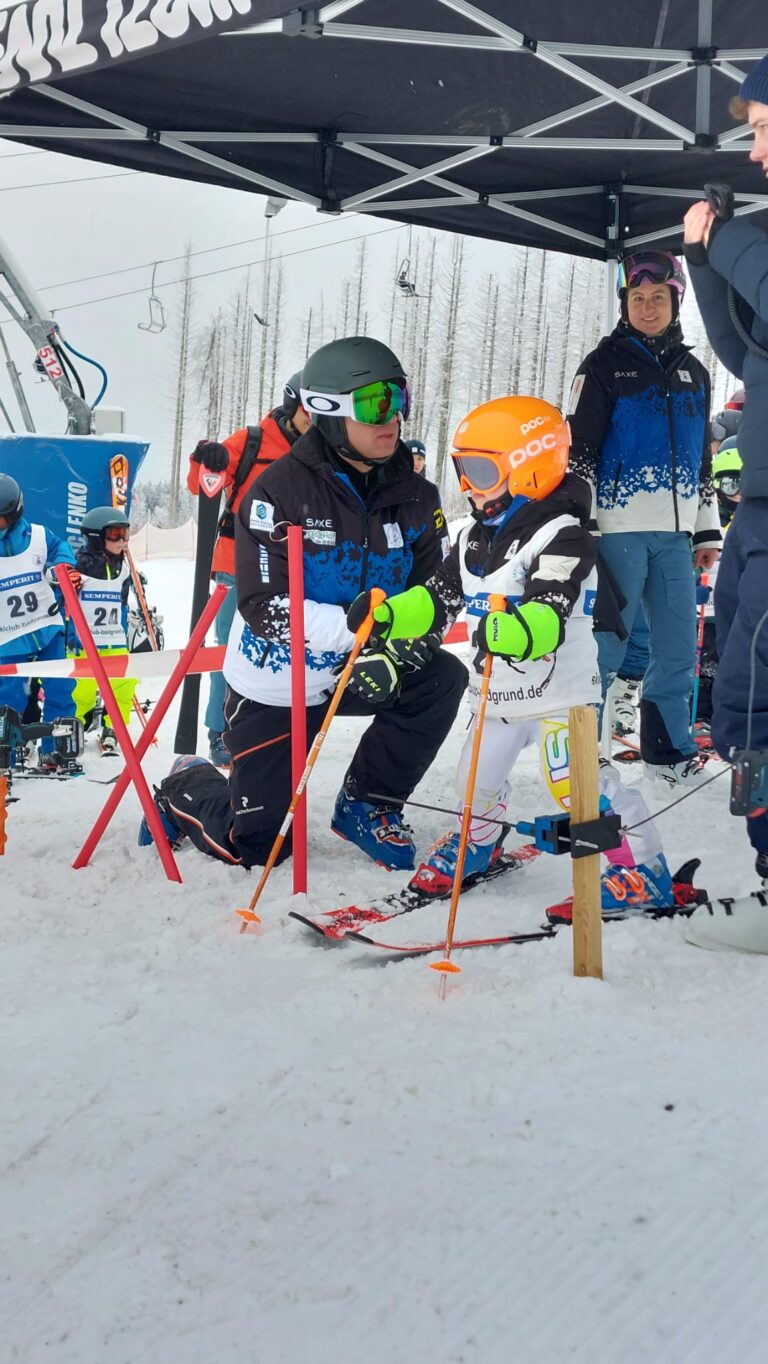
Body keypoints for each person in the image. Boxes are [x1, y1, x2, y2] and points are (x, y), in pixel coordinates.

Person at [141, 336, 467, 869]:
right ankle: (186, 783)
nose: (395, 417)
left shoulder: (416, 495)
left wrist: (392, 652)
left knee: (441, 677)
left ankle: (369, 802)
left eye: (399, 397)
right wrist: (361, 633)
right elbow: (265, 607)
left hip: (364, 666)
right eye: (376, 403)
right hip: (279, 680)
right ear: (330, 412)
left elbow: (439, 596)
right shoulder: (278, 492)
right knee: (259, 847)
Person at [345, 395, 671, 919]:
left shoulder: (563, 536)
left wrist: (518, 630)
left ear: (528, 469)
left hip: (560, 698)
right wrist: (387, 616)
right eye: (462, 471)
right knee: (474, 782)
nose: (469, 486)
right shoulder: (471, 537)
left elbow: (549, 612)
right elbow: (437, 598)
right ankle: (477, 843)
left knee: (579, 785)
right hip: (495, 694)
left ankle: (639, 868)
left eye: (481, 470)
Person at [567, 249, 721, 788]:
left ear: (676, 301)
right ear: (624, 303)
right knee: (609, 644)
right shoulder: (603, 365)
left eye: (659, 297)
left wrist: (705, 529)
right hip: (616, 530)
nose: (649, 307)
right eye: (638, 298)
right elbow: (579, 450)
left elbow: (702, 459)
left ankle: (669, 748)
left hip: (675, 537)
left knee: (678, 644)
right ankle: (588, 754)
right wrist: (578, 521)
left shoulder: (694, 371)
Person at [683, 55, 768, 885]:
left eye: (765, 130)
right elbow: (748, 349)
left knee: (765, 684)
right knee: (739, 689)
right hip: (760, 509)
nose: (754, 153)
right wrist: (704, 266)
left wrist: (729, 239)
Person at [186, 372, 311, 766]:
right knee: (230, 653)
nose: (315, 418)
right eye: (309, 408)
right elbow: (202, 483)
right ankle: (220, 732)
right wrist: (207, 457)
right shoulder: (253, 440)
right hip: (237, 567)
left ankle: (265, 729)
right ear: (292, 406)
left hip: (291, 571)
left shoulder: (321, 451)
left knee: (282, 655)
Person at [0, 472, 82, 771]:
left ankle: (57, 750)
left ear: (14, 513)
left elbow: (62, 552)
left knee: (60, 689)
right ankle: (4, 755)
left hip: (47, 629)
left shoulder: (38, 535)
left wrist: (61, 568)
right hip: (8, 638)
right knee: (8, 699)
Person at [70, 506, 137, 755]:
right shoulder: (80, 565)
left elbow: (121, 601)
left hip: (114, 640)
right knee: (82, 691)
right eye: (115, 534)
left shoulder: (123, 566)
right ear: (98, 536)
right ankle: (75, 725)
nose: (122, 540)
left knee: (125, 684)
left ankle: (113, 729)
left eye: (125, 533)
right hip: (84, 642)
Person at [693, 441, 742, 734]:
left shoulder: (750, 516)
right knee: (703, 662)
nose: (733, 489)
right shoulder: (711, 516)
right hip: (705, 607)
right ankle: (700, 716)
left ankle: (723, 718)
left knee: (727, 660)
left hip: (734, 605)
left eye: (738, 480)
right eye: (725, 481)